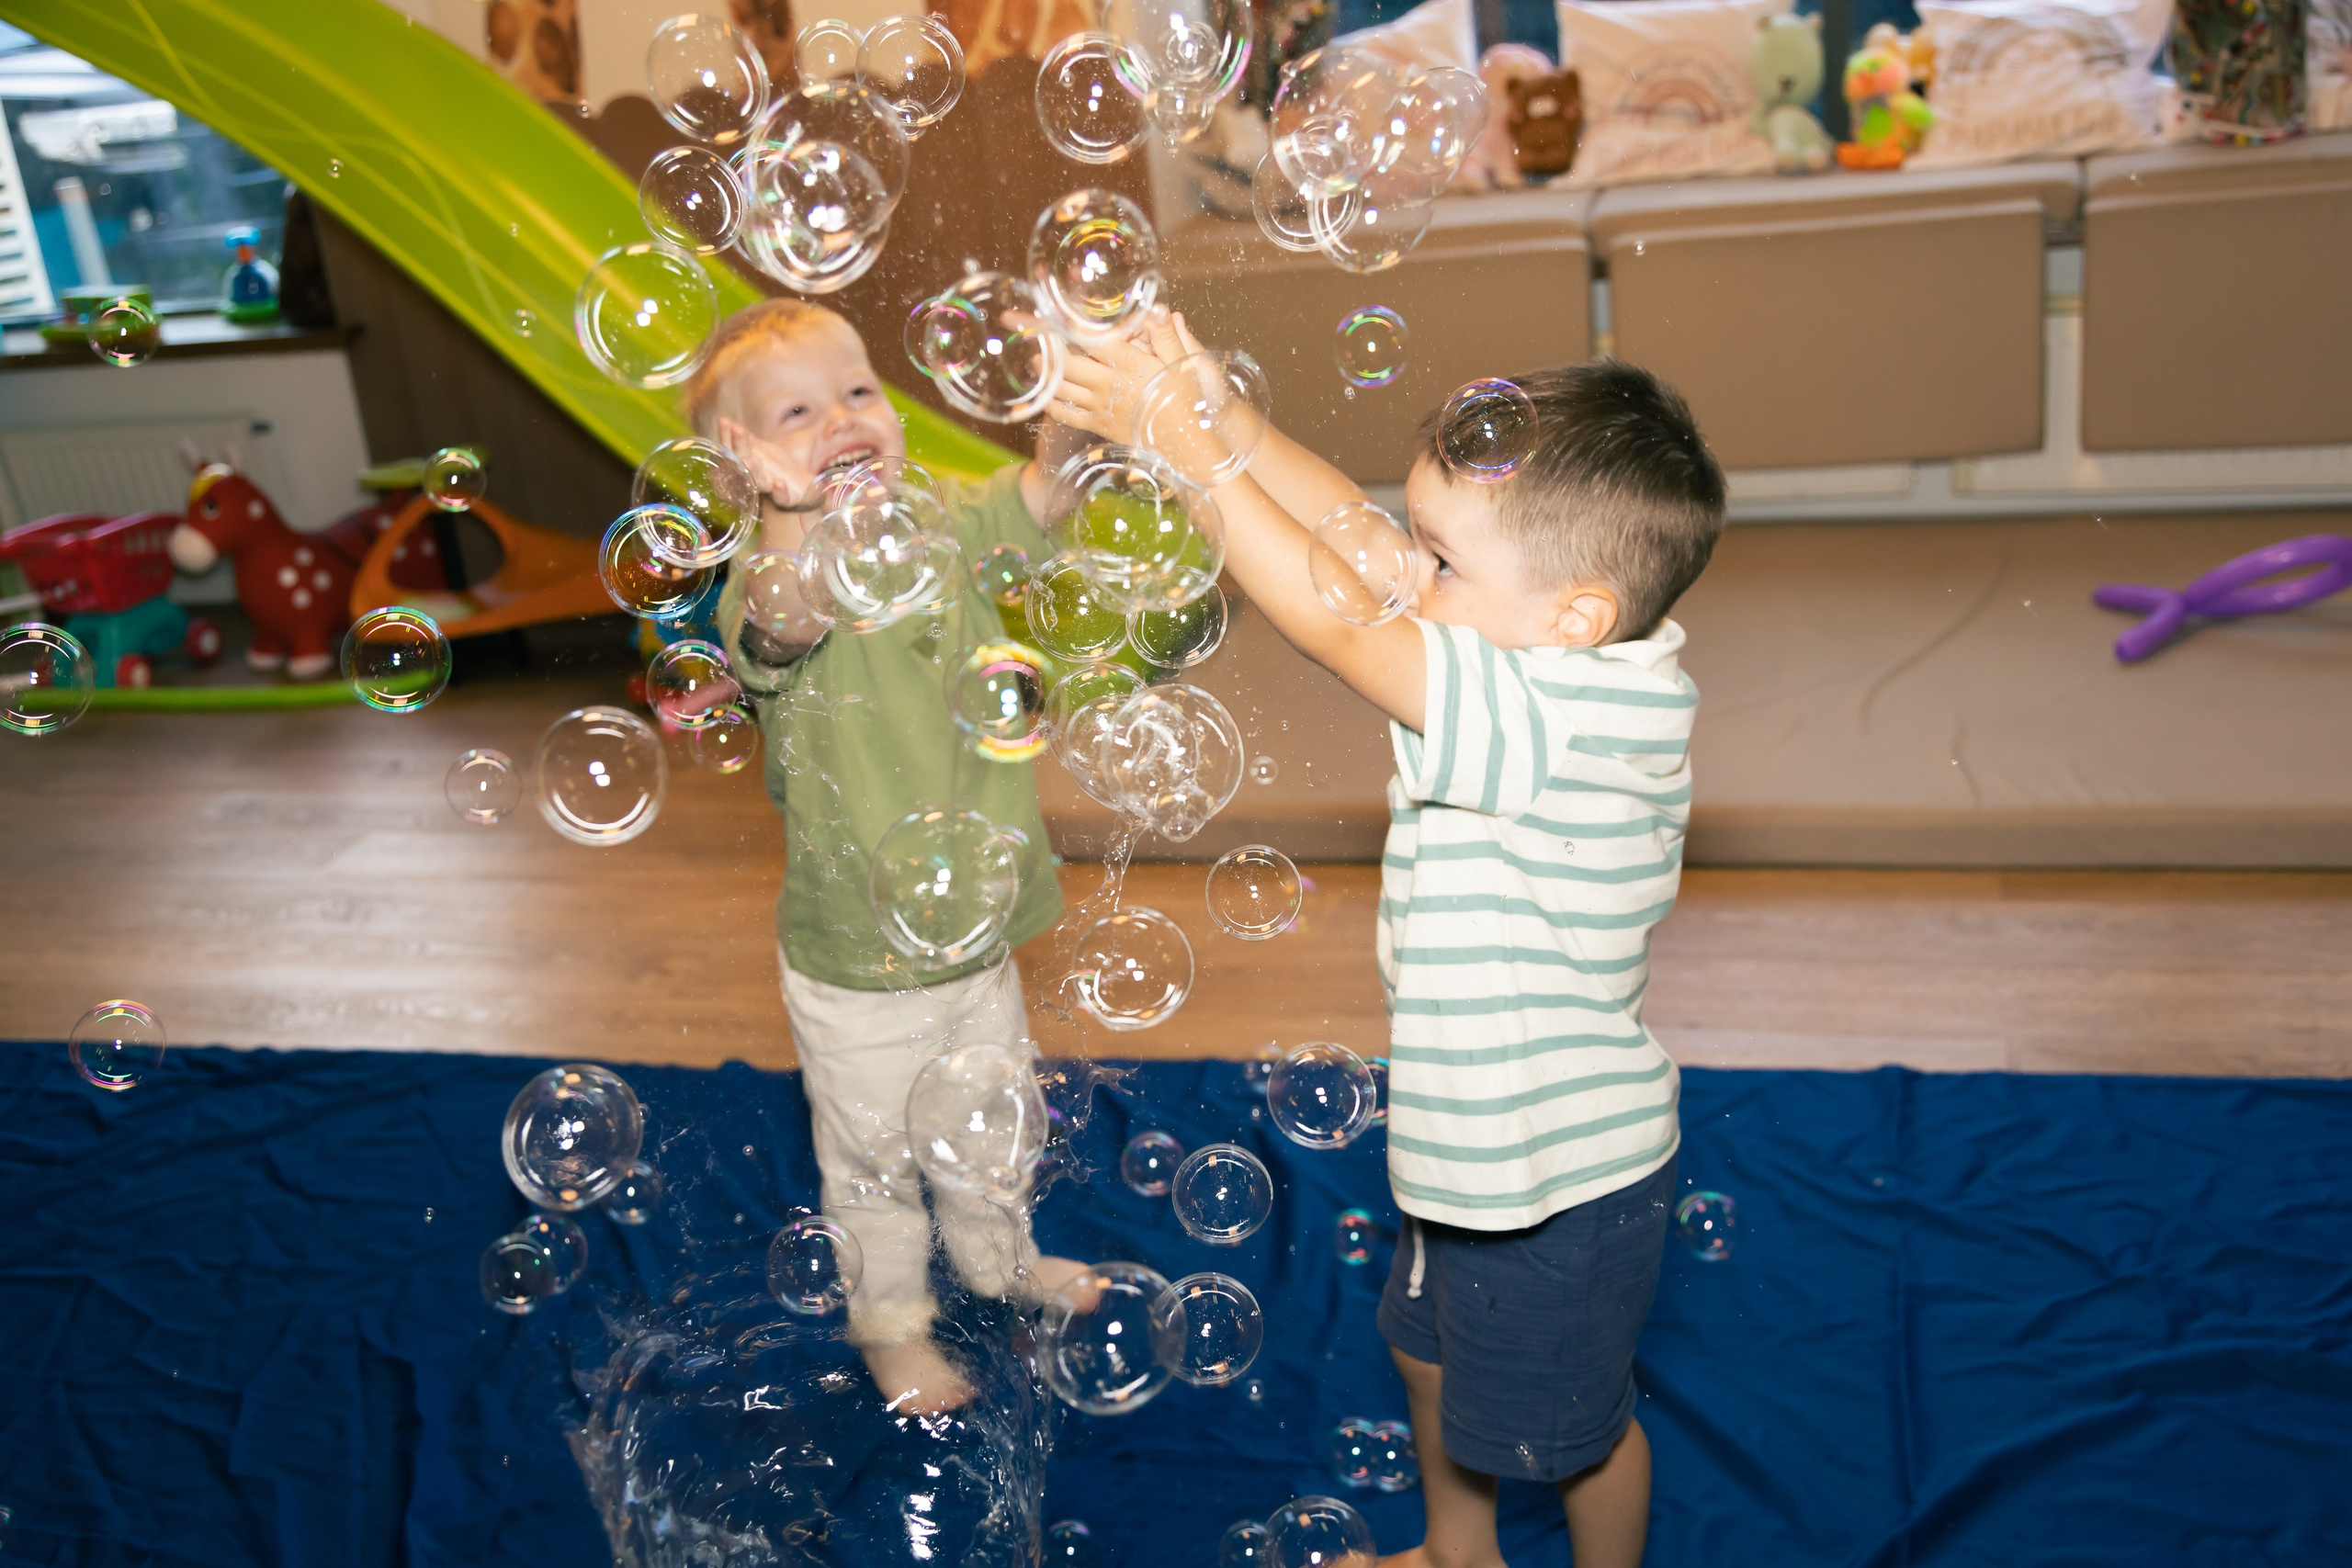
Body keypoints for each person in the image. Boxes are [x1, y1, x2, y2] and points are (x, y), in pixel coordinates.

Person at [1052, 317, 1726, 1568]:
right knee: (1424, 1352)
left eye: (1444, 563)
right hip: (1471, 1144)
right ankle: (1457, 1551)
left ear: (1575, 615)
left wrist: (1188, 455)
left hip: (1555, 1182)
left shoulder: (1554, 718)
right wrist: (1233, 423)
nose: (1414, 576)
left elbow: (1338, 620)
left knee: (1576, 1432)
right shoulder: (1548, 640)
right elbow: (1362, 554)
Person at [688, 298, 1088, 1414]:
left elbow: (1050, 496)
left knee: (990, 1124)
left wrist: (1070, 401)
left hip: (978, 921)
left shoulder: (947, 524)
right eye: (799, 412)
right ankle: (892, 1330)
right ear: (745, 457)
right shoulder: (765, 585)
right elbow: (790, 614)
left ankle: (1000, 1258)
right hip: (855, 953)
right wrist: (786, 511)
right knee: (873, 1167)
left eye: (859, 392)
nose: (844, 419)